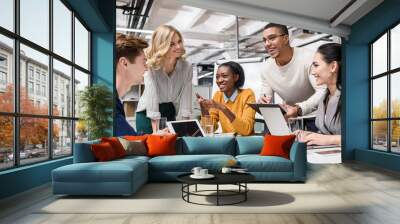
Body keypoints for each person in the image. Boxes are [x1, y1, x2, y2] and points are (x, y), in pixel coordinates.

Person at [259, 23, 326, 118]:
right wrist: (263, 102)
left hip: (315, 118)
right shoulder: (265, 68)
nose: (267, 44)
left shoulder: (309, 58)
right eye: (264, 40)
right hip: (290, 119)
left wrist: (299, 109)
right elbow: (265, 96)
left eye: (272, 38)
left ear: (286, 38)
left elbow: (323, 91)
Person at [136, 25, 193, 134]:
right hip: (147, 114)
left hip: (170, 110)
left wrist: (185, 129)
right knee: (154, 146)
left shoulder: (187, 67)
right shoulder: (150, 66)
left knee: (173, 145)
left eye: (179, 41)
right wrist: (156, 132)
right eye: (172, 44)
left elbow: (186, 100)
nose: (178, 46)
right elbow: (152, 101)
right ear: (161, 45)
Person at [296, 43, 341, 146]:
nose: (312, 72)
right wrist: (308, 135)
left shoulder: (350, 97)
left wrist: (329, 140)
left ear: (333, 66)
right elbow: (326, 133)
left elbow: (362, 139)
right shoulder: (324, 97)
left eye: (316, 65)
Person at [197, 61, 256, 136]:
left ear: (235, 77)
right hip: (227, 143)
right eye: (217, 77)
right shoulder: (218, 95)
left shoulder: (247, 94)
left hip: (244, 144)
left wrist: (223, 108)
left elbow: (246, 130)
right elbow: (208, 130)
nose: (219, 80)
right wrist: (204, 109)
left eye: (224, 76)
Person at [115, 33, 148, 136]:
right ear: (124, 63)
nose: (147, 68)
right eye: (144, 62)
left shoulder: (116, 101)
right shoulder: (110, 105)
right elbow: (130, 142)